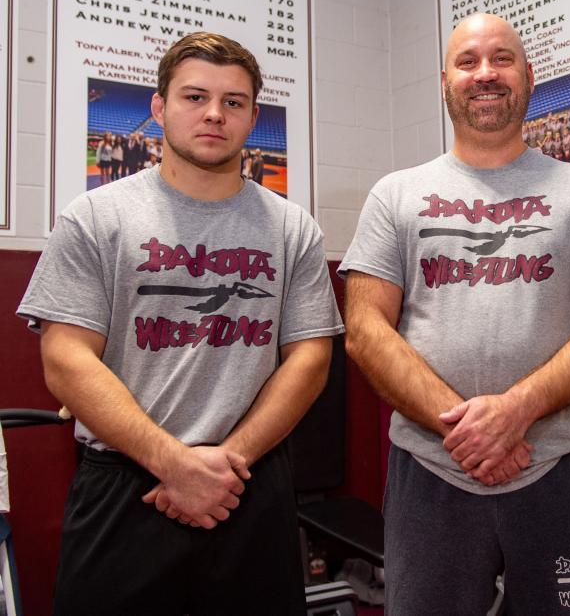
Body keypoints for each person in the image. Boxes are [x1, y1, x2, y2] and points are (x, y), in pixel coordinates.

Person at [17, 32, 344, 615]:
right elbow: (66, 359)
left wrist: (224, 466)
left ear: (251, 118)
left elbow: (311, 359)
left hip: (248, 479)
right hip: (127, 485)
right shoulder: (96, 216)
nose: (215, 114)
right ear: (159, 107)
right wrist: (174, 463)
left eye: (234, 102)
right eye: (195, 96)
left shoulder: (294, 228)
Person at [339, 12, 570, 615]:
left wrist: (516, 412)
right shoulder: (395, 194)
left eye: (501, 59)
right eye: (469, 61)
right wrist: (468, 431)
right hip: (432, 472)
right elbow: (366, 331)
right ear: (445, 80)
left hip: (558, 466)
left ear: (527, 77)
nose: (486, 74)